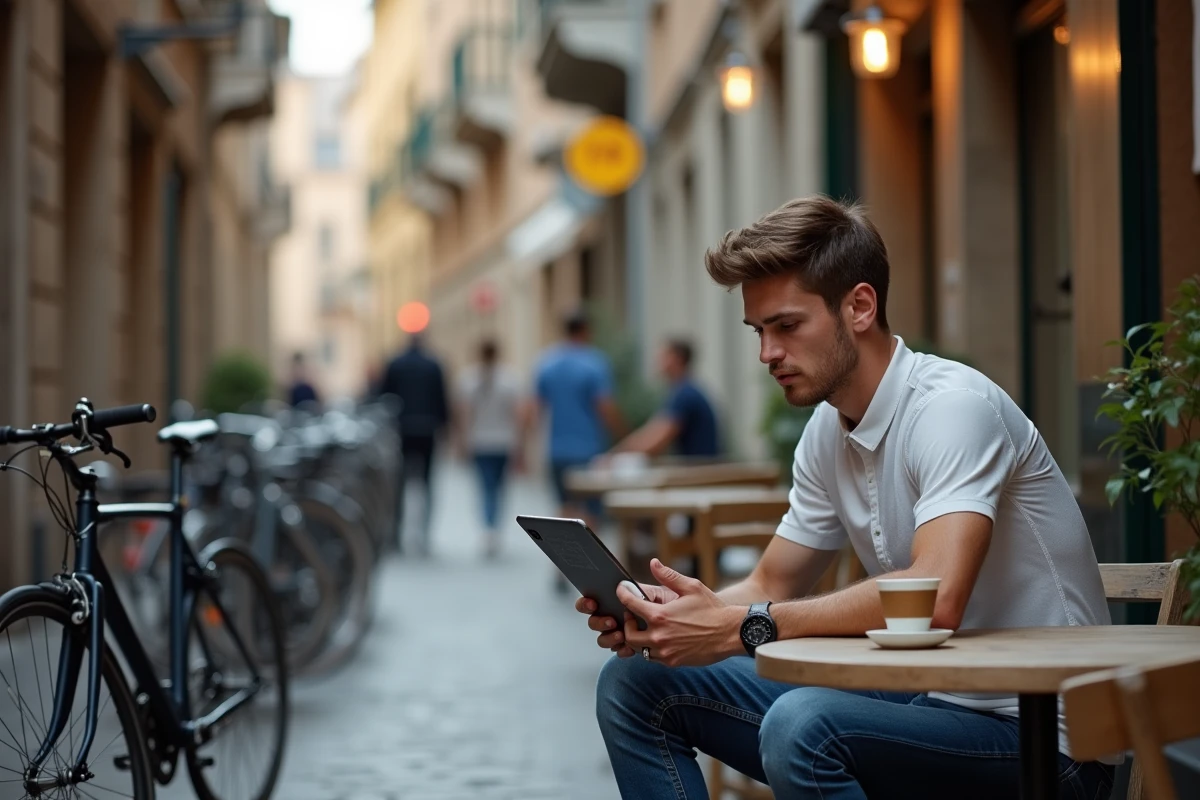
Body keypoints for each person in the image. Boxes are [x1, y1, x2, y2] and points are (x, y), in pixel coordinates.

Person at [577, 196, 1115, 799]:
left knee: (803, 728)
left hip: (1047, 736)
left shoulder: (951, 408)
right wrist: (671, 622)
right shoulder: (827, 434)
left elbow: (935, 598)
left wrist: (742, 629)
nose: (767, 354)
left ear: (859, 306)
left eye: (787, 326)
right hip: (929, 701)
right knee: (634, 684)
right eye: (759, 331)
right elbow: (770, 587)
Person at [528, 312, 624, 586]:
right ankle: (593, 571)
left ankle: (562, 567)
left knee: (565, 508)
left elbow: (534, 407)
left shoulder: (547, 363)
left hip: (557, 450)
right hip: (589, 450)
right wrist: (621, 436)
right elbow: (605, 406)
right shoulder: (594, 363)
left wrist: (525, 447)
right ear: (585, 330)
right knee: (592, 512)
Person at [379, 333, 449, 555]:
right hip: (427, 429)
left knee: (400, 483)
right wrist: (444, 427)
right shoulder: (433, 365)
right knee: (427, 483)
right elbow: (442, 399)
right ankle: (424, 534)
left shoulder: (395, 364)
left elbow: (384, 397)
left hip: (402, 429)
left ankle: (397, 534)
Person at [454, 338, 523, 558]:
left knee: (485, 486)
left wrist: (462, 442)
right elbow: (516, 415)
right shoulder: (510, 379)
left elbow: (464, 415)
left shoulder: (468, 379)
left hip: (480, 441)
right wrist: (520, 445)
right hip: (503, 441)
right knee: (499, 487)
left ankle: (489, 528)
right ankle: (494, 527)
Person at [606, 338, 719, 460]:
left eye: (664, 355)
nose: (657, 360)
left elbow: (654, 442)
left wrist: (613, 457)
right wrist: (616, 453)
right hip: (699, 468)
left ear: (678, 358)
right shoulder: (681, 391)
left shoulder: (686, 395)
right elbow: (652, 431)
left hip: (701, 471)